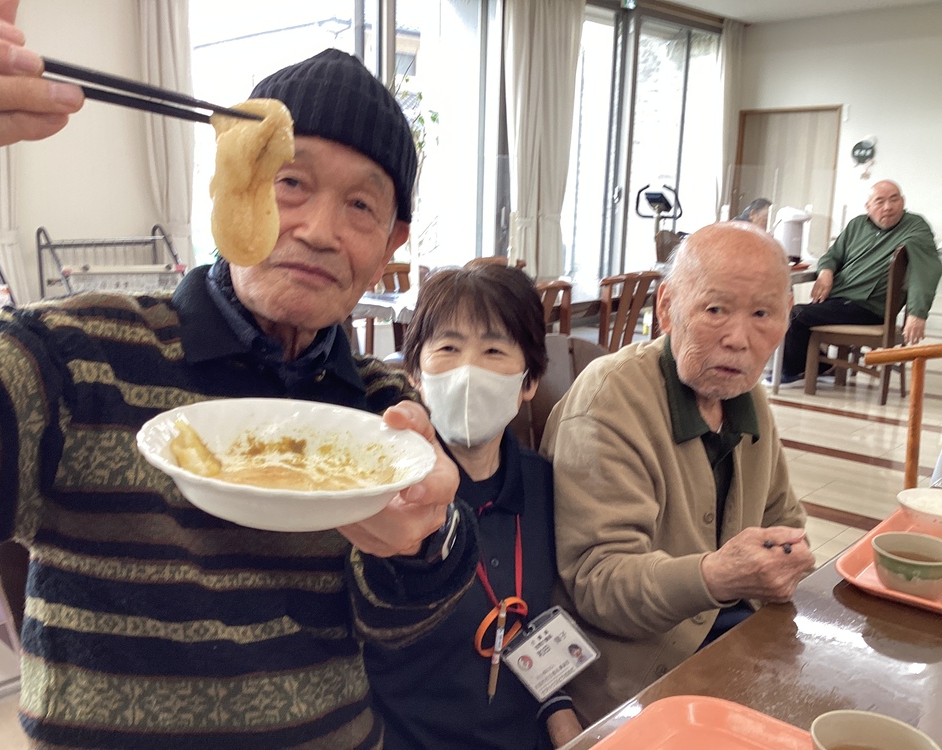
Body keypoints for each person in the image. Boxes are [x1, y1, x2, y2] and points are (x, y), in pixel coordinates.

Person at [0, 4, 478, 748]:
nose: (319, 230)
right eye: (290, 182)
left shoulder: (380, 414)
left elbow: (407, 629)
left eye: (360, 204)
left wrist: (425, 541)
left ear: (390, 244)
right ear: (230, 187)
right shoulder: (79, 351)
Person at [541, 222, 816, 724]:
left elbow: (785, 519)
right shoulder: (611, 401)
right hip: (632, 687)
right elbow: (599, 582)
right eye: (715, 309)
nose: (738, 339)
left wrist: (785, 559)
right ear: (666, 307)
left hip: (737, 651)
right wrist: (716, 576)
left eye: (762, 314)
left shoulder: (746, 397)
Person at [364, 265, 583, 749]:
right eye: (447, 348)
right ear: (415, 373)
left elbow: (541, 626)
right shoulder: (387, 495)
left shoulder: (547, 485)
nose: (468, 369)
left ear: (529, 382)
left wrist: (561, 714)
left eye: (493, 350)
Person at [779, 180, 941, 383]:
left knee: (797, 314)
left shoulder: (914, 227)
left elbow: (925, 269)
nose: (888, 207)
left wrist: (917, 313)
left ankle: (793, 371)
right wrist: (826, 272)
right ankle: (820, 366)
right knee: (791, 313)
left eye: (894, 199)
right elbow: (833, 255)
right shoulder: (857, 224)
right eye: (880, 201)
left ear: (903, 201)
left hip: (869, 307)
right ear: (868, 207)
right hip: (838, 299)